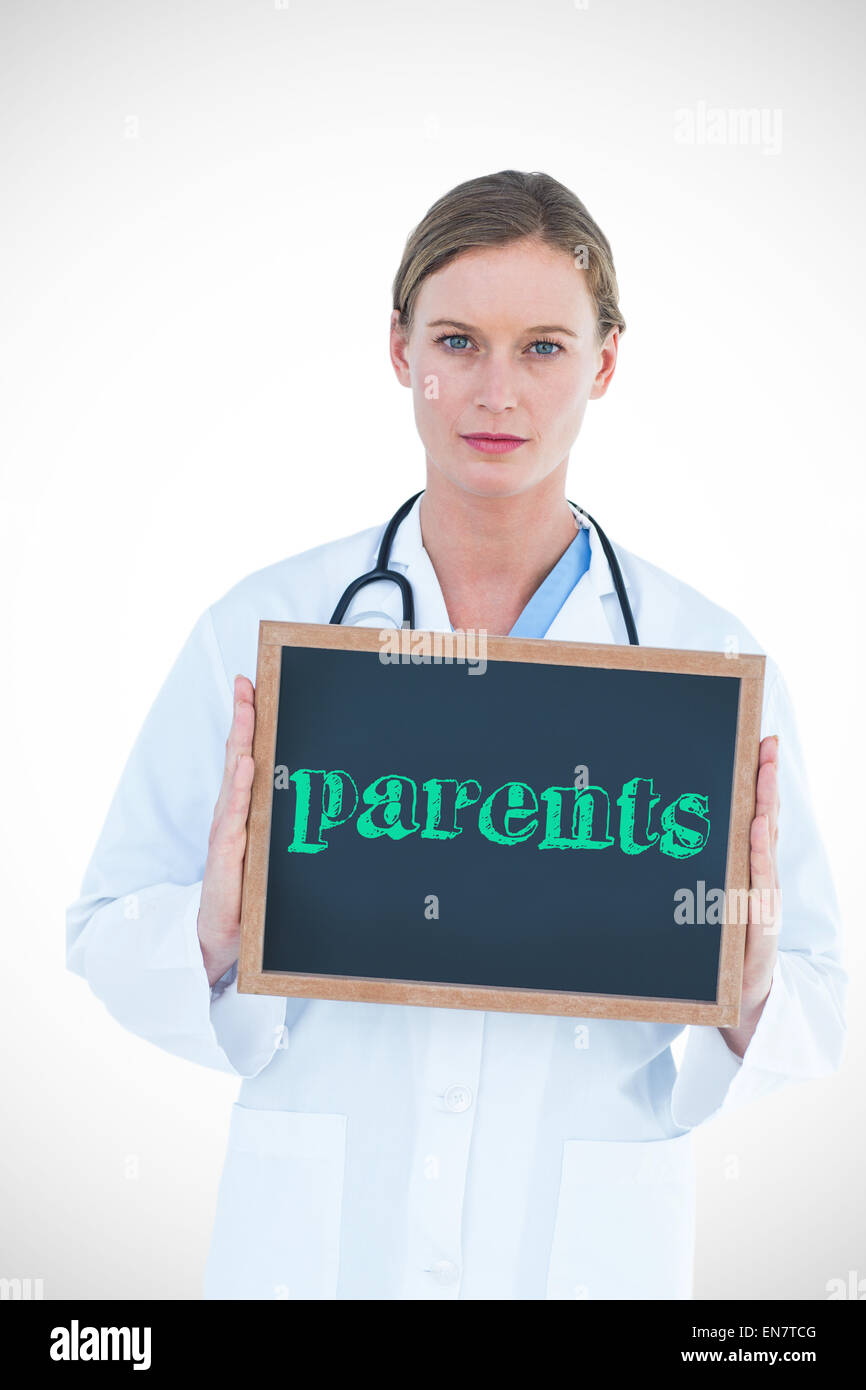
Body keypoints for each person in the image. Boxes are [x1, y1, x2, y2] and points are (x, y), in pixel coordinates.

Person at [66, 169, 847, 1301]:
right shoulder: (264, 629)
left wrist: (750, 986)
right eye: (456, 340)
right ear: (397, 350)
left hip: (584, 1254)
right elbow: (100, 928)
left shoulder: (703, 661)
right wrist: (208, 932)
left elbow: (816, 989)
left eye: (542, 346)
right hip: (319, 1247)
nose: (495, 391)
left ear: (605, 362)